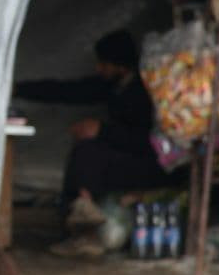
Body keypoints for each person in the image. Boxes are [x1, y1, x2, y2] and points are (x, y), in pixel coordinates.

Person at [13, 28, 170, 254]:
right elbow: (69, 91)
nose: (99, 69)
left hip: (150, 163)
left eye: (104, 64)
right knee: (85, 150)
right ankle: (76, 217)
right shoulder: (113, 86)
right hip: (123, 155)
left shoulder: (144, 92)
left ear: (120, 65)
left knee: (89, 153)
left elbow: (149, 142)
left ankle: (85, 223)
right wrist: (20, 89)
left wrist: (102, 131)